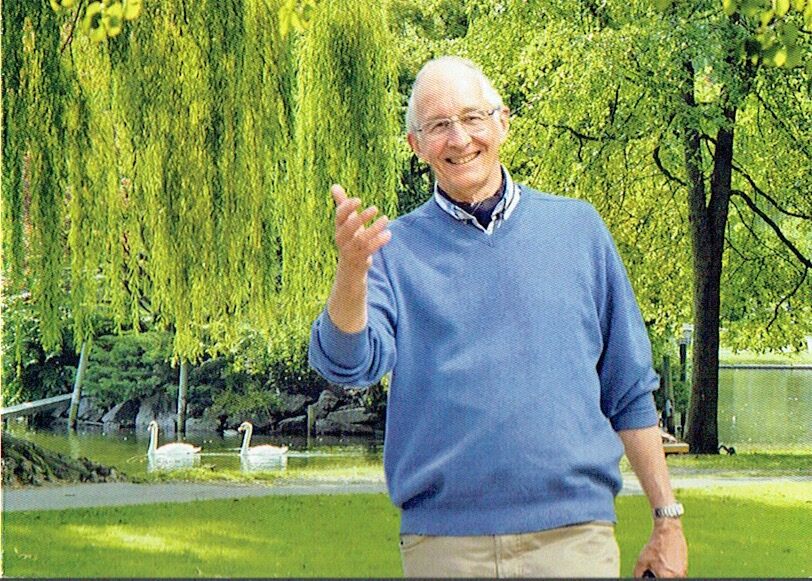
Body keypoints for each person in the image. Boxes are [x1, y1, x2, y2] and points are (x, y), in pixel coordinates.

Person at [308, 55, 688, 578]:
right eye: (439, 126)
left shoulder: (578, 231)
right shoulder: (391, 251)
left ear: (502, 123)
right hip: (444, 547)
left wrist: (667, 519)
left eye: (472, 118)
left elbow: (628, 388)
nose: (460, 139)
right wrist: (352, 271)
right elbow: (347, 364)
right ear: (416, 145)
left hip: (574, 539)